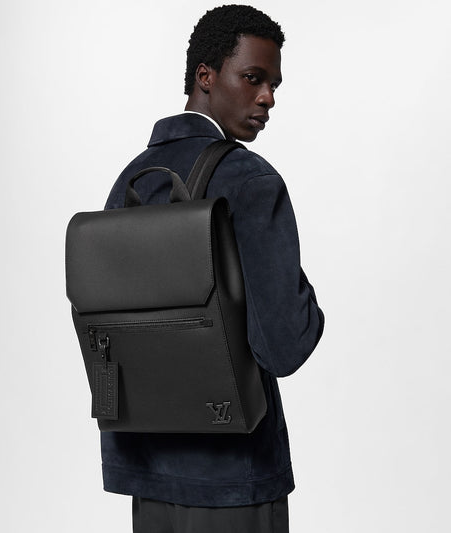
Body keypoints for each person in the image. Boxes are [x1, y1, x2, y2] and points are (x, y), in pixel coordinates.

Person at [102, 5, 325, 532]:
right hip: (234, 480)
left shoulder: (131, 181)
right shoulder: (250, 180)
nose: (267, 97)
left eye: (273, 84)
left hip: (147, 474)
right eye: (253, 78)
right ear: (205, 76)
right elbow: (284, 345)